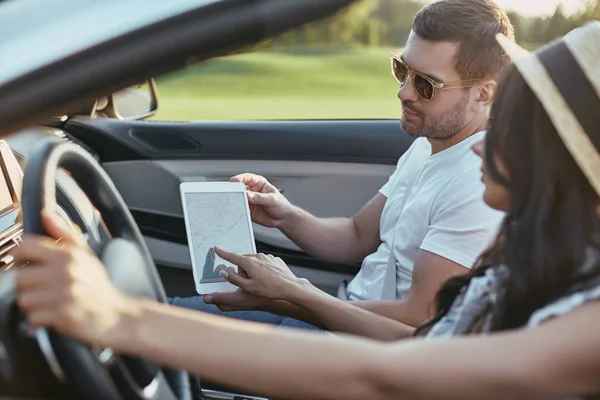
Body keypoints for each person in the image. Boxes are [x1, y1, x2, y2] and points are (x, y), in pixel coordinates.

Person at [14, 21, 600, 399]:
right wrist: (287, 219)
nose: (485, 142)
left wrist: (119, 317)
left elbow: (388, 375)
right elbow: (416, 347)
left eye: (513, 128)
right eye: (403, 73)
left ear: (566, 160)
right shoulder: (528, 254)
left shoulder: (587, 324)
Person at [168, 0, 512, 337]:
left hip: (354, 349)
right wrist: (285, 215)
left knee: (154, 334)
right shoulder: (427, 145)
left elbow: (417, 321)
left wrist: (290, 295)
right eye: (401, 69)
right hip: (330, 317)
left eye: (426, 85)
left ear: (483, 93)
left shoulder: (478, 186)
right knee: (161, 316)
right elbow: (355, 236)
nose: (404, 92)